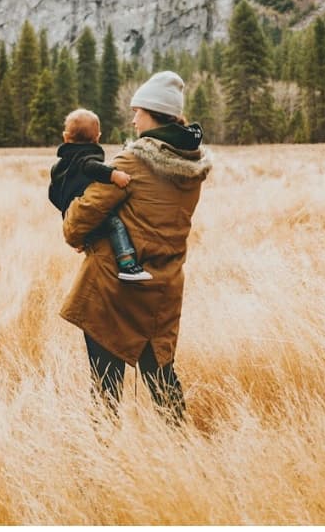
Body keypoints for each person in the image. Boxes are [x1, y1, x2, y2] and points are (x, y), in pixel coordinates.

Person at [59, 70, 212, 421]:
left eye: (138, 111)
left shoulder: (131, 162)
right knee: (161, 380)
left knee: (106, 388)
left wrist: (78, 230)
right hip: (163, 289)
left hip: (114, 290)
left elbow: (79, 220)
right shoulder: (192, 165)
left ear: (154, 114)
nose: (132, 119)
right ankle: (182, 454)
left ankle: (105, 465)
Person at [47, 107, 152, 282]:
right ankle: (127, 264)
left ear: (65, 137)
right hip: (88, 212)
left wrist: (67, 213)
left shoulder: (58, 167)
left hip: (71, 215)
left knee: (95, 235)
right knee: (115, 224)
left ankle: (84, 240)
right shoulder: (86, 157)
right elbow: (91, 167)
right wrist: (114, 175)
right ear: (98, 138)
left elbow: (52, 194)